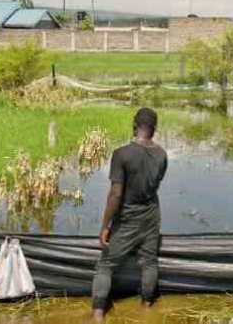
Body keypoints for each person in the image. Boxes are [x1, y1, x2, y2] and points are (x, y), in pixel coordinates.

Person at [91, 107, 168, 320]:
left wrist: (105, 226)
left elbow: (116, 193)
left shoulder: (122, 154)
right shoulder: (162, 154)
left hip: (128, 217)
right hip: (152, 214)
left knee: (106, 264)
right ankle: (146, 309)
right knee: (149, 262)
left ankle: (98, 314)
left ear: (134, 126)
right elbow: (155, 183)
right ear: (154, 129)